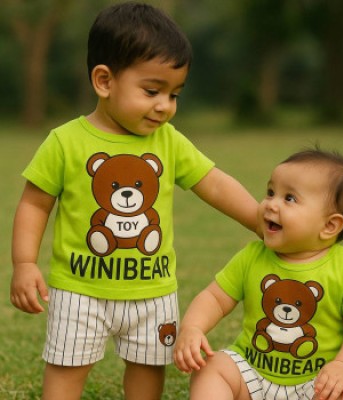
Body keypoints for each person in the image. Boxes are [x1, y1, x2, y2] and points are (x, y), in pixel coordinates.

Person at [10, 2, 259, 400]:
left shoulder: (168, 141)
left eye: (174, 94)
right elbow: (34, 205)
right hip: (79, 290)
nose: (165, 106)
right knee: (66, 367)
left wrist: (260, 219)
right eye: (152, 91)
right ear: (104, 81)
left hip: (152, 291)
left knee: (147, 368)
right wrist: (24, 263)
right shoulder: (65, 142)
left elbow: (213, 184)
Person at [174, 148, 343, 400]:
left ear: (329, 225)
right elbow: (215, 298)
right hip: (252, 374)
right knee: (211, 368)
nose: (271, 204)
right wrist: (193, 327)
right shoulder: (252, 257)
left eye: (289, 198)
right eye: (271, 192)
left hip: (318, 382)